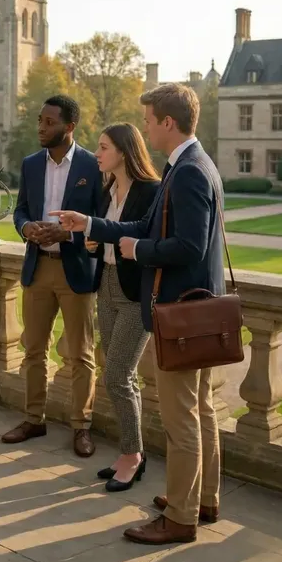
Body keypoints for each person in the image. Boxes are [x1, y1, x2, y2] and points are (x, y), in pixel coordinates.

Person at [52, 82, 223, 545]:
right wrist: (90, 223)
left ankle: (181, 518)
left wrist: (136, 250)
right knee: (202, 410)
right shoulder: (192, 164)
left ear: (168, 122)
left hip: (181, 313)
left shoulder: (186, 172)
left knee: (181, 418)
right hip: (201, 312)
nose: (145, 127)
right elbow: (145, 224)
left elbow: (186, 245)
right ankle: (204, 498)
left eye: (148, 120)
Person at [2, 95, 101, 457]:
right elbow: (21, 210)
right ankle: (33, 419)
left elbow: (101, 223)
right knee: (33, 350)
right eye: (40, 121)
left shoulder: (93, 165)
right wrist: (26, 227)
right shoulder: (30, 165)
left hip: (76, 271)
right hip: (38, 266)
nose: (41, 127)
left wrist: (69, 234)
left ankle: (81, 427)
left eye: (48, 122)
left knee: (81, 355)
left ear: (69, 127)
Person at [86, 124, 159, 492]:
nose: (97, 154)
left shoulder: (151, 191)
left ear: (124, 151)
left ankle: (133, 455)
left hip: (135, 292)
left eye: (103, 147)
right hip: (107, 285)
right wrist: (92, 245)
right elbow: (104, 238)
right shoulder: (107, 190)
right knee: (120, 375)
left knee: (117, 374)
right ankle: (132, 451)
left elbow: (147, 238)